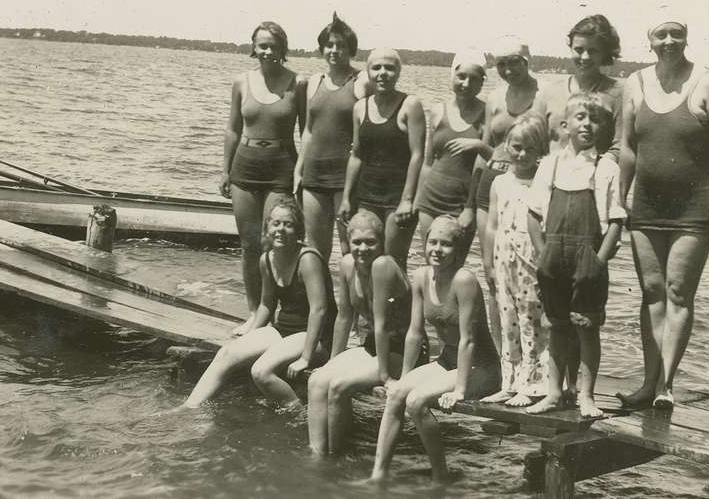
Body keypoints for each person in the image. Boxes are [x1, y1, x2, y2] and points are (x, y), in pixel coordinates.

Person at [616, 21, 709, 410]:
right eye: (660, 35)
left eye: (676, 34)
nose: (668, 42)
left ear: (687, 37)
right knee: (652, 293)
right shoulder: (633, 84)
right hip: (647, 206)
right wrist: (618, 199)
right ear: (648, 40)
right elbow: (627, 148)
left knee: (677, 292)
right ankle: (648, 383)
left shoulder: (708, 84)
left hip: (695, 207)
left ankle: (666, 385)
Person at [370, 215, 500, 484]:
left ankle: (441, 475)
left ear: (459, 250)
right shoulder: (421, 276)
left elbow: (468, 340)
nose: (437, 250)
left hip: (480, 368)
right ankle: (378, 474)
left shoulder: (464, 280)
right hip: (447, 361)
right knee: (397, 396)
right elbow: (415, 333)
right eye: (433, 242)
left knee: (416, 401)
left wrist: (460, 391)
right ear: (425, 243)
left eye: (446, 244)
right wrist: (403, 378)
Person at [526, 93, 625, 419]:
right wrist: (543, 256)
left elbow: (615, 221)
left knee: (587, 328)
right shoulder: (551, 165)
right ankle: (554, 393)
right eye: (581, 117)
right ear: (565, 125)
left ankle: (586, 395)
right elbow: (534, 214)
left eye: (595, 120)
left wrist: (598, 262)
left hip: (588, 258)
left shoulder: (606, 167)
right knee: (557, 327)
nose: (588, 124)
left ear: (603, 129)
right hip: (553, 258)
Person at [183, 197, 334, 408]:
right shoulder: (267, 259)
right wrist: (250, 335)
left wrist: (306, 358)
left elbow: (319, 310)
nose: (280, 229)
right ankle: (190, 407)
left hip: (315, 337)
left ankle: (297, 413)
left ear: (299, 230)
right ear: (267, 227)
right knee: (227, 353)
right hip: (283, 331)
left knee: (261, 371)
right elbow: (266, 305)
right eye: (276, 223)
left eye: (288, 224)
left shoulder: (308, 259)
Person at [307, 211, 419, 456]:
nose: (363, 248)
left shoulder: (383, 266)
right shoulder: (347, 265)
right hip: (374, 347)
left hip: (401, 351)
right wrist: (332, 362)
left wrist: (385, 377)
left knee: (338, 386)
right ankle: (317, 455)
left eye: (371, 242)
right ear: (348, 241)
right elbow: (344, 317)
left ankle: (338, 455)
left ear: (382, 244)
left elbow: (381, 325)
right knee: (316, 381)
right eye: (357, 242)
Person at [220, 21, 306, 333]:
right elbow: (232, 128)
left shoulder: (297, 84)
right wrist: (225, 170)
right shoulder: (241, 82)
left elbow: (306, 132)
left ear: (283, 50)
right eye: (262, 45)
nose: (267, 52)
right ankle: (255, 312)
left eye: (273, 46)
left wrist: (301, 172)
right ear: (253, 47)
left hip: (280, 165)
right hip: (245, 166)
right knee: (249, 244)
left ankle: (281, 313)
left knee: (276, 241)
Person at [470, 35, 548, 348]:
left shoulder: (543, 96)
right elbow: (485, 149)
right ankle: (503, 356)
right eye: (501, 64)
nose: (507, 69)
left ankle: (536, 356)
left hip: (529, 187)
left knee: (529, 276)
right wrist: (469, 201)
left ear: (527, 61)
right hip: (492, 185)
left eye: (513, 62)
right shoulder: (494, 98)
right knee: (493, 275)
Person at [479, 113, 552, 406]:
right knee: (506, 319)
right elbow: (492, 225)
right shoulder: (499, 182)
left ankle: (532, 385)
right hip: (503, 259)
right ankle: (509, 382)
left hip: (530, 261)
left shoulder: (543, 183)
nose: (521, 154)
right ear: (506, 145)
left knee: (531, 321)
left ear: (541, 152)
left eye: (529, 149)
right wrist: (488, 263)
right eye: (516, 146)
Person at [338, 48, 425, 267]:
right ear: (368, 72)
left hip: (397, 200)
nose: (383, 73)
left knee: (393, 263)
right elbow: (356, 154)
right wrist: (347, 198)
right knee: (364, 262)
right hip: (366, 197)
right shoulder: (360, 107)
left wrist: (407, 201)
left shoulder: (410, 105)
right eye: (376, 68)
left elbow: (418, 155)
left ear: (398, 73)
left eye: (390, 68)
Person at [294, 12, 369, 263]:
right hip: (314, 176)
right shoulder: (314, 81)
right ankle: (322, 303)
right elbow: (308, 130)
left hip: (345, 178)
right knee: (315, 251)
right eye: (329, 45)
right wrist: (298, 170)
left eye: (341, 45)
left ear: (351, 49)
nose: (334, 50)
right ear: (322, 49)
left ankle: (351, 302)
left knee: (351, 250)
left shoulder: (361, 82)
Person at [413, 49, 487, 247]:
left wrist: (470, 208)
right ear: (452, 75)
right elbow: (428, 162)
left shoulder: (487, 114)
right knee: (431, 264)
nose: (466, 84)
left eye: (474, 79)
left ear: (482, 82)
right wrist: (417, 201)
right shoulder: (438, 111)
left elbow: (486, 165)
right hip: (430, 200)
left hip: (463, 205)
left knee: (454, 267)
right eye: (461, 76)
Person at [543, 15, 624, 154]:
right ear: (571, 48)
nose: (585, 57)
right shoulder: (550, 91)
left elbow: (620, 146)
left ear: (605, 53)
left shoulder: (618, 93)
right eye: (579, 50)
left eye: (593, 51)